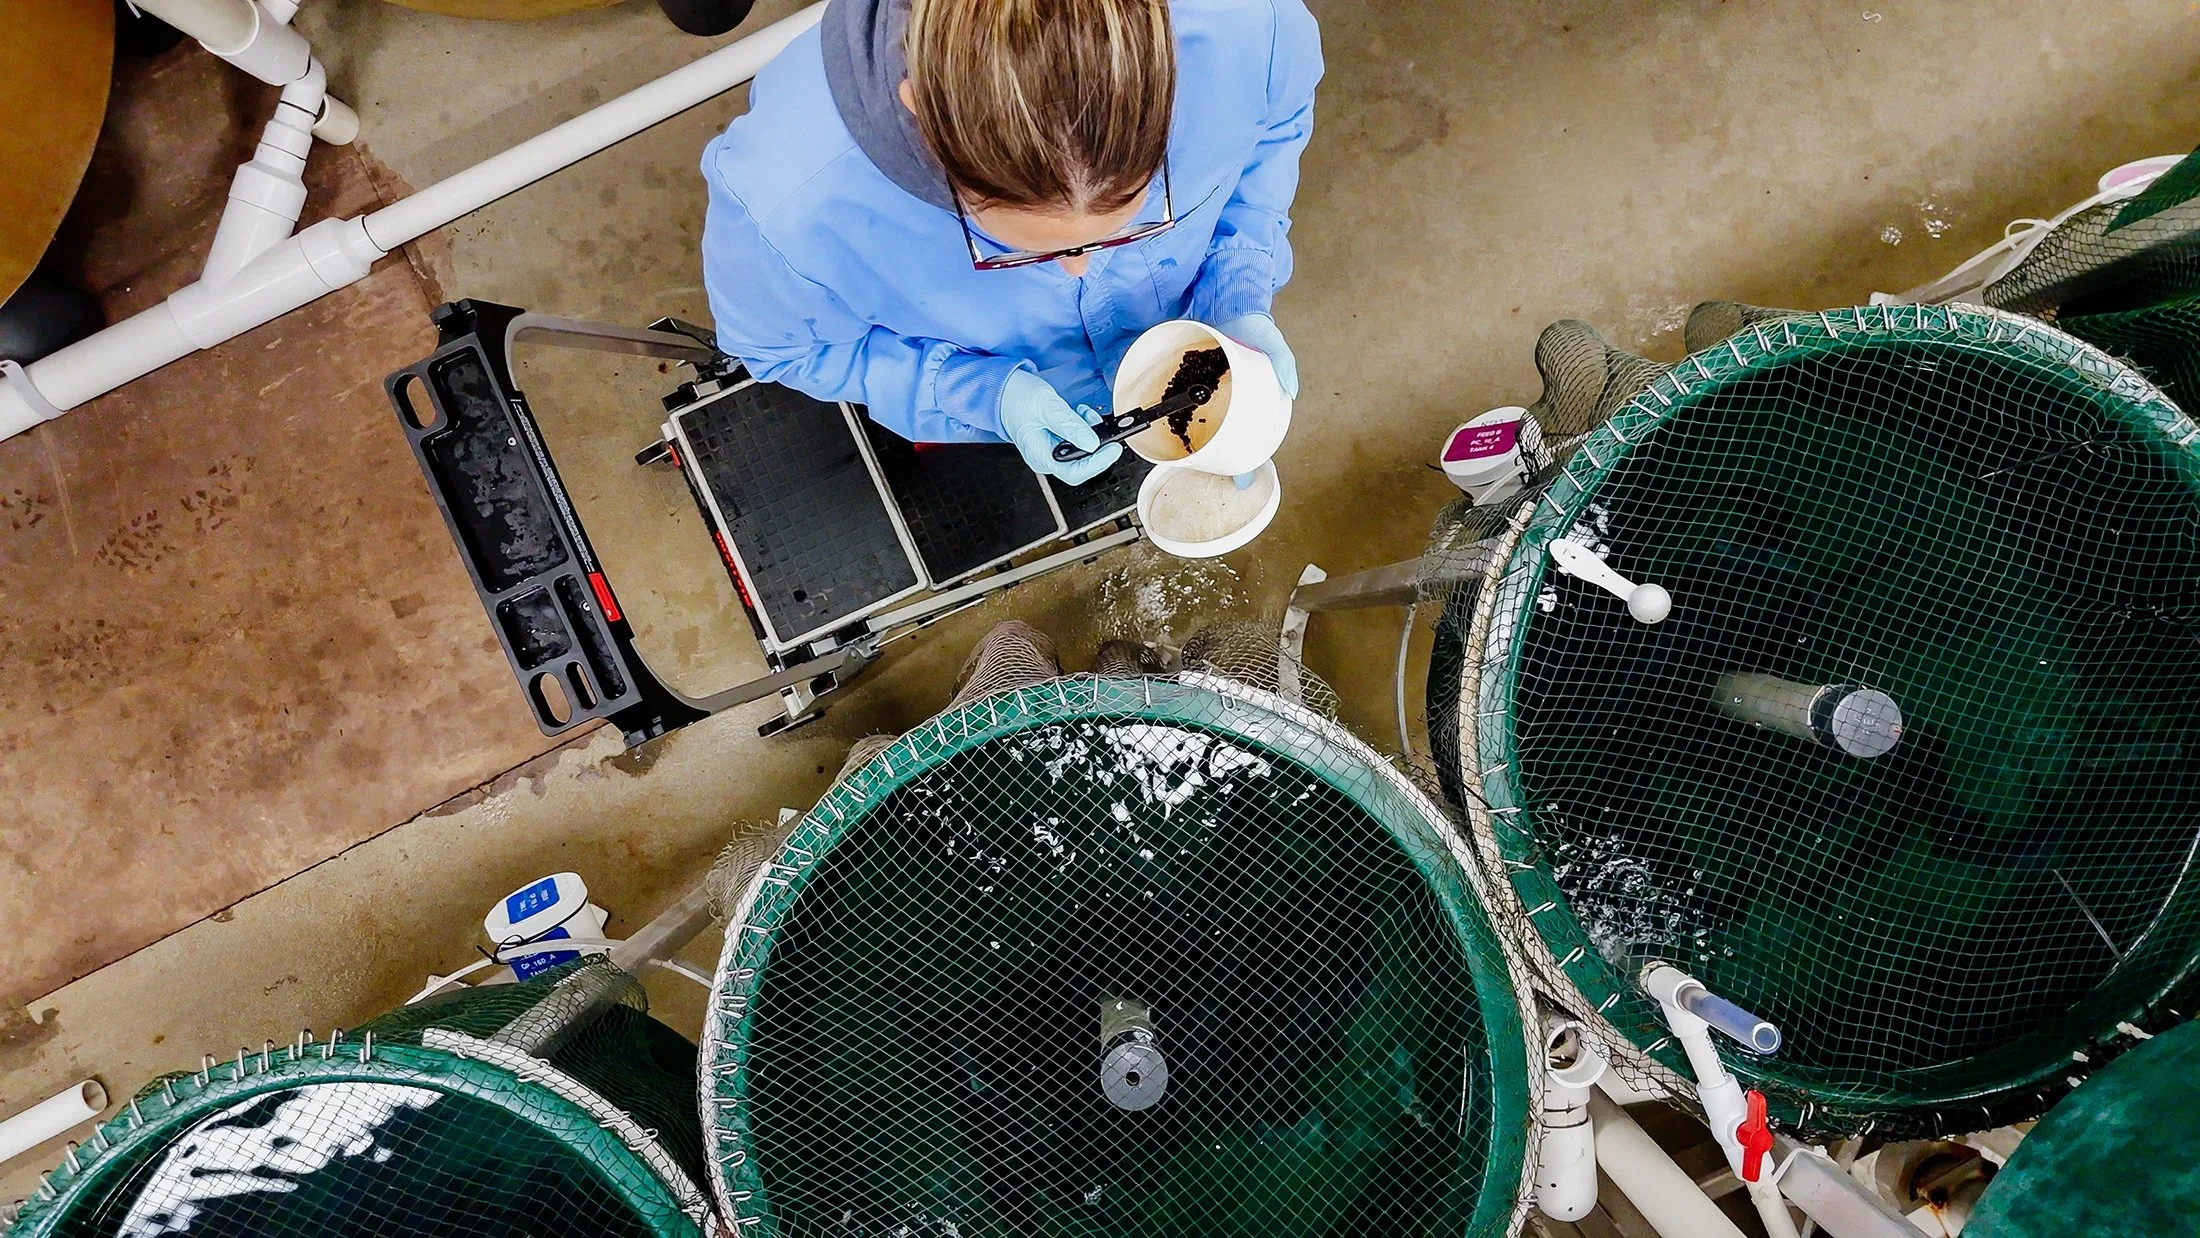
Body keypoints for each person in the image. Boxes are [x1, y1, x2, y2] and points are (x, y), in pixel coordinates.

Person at [699, 0, 1322, 485]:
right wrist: (974, 393)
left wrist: (1237, 280)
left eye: (1130, 223)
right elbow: (783, 350)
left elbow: (1274, 131)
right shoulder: (787, 209)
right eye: (1029, 250)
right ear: (921, 113)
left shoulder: (1248, 27)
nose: (1081, 271)